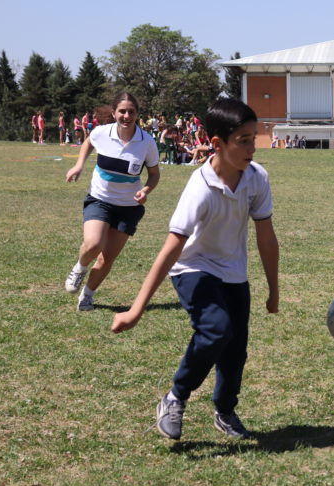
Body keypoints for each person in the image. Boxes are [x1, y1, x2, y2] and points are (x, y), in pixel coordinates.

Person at [111, 98, 279, 442]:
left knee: (235, 349)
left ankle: (225, 410)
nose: (252, 147)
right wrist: (136, 309)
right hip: (192, 267)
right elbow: (170, 249)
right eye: (243, 140)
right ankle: (175, 397)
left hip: (233, 271)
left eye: (254, 137)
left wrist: (274, 290)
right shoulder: (200, 189)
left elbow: (266, 236)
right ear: (217, 144)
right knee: (216, 330)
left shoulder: (256, 178)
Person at [64, 92, 161, 311]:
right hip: (100, 199)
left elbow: (154, 174)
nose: (127, 116)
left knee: (106, 259)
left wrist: (146, 189)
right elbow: (88, 142)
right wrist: (79, 165)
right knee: (93, 244)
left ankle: (87, 295)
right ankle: (80, 267)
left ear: (137, 114)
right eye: (122, 111)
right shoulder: (102, 133)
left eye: (131, 112)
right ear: (114, 112)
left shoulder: (146, 142)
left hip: (128, 208)